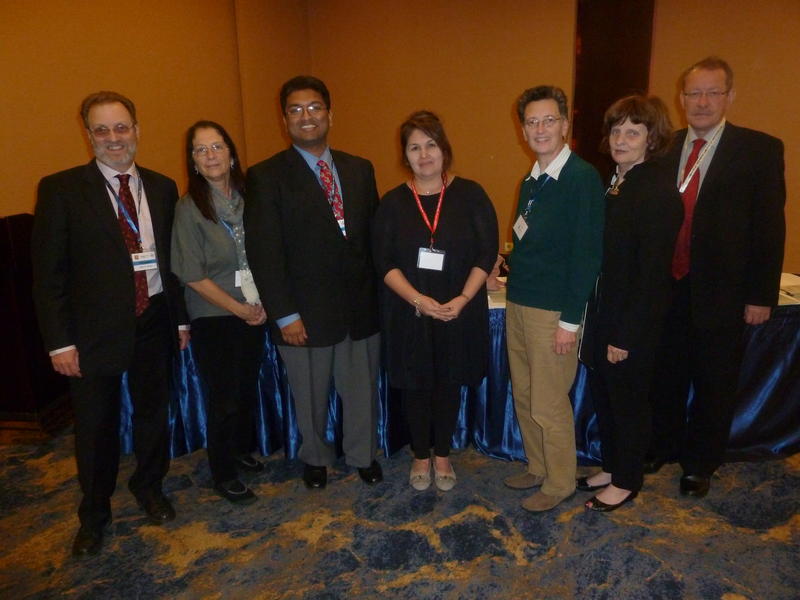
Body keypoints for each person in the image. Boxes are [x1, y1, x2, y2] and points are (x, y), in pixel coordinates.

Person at [31, 91, 189, 557]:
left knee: (153, 415)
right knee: (96, 428)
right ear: (88, 135)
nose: (113, 138)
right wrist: (59, 343)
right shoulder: (60, 189)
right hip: (92, 332)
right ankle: (95, 513)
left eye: (121, 128)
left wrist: (179, 322)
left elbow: (172, 263)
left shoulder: (162, 187)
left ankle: (149, 486)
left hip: (155, 320)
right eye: (102, 130)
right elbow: (48, 277)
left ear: (137, 130)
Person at [645, 57, 785, 498]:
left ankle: (701, 463)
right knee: (664, 375)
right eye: (693, 93)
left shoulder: (759, 149)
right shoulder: (663, 148)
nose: (702, 102)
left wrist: (761, 295)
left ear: (730, 97)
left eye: (712, 92)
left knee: (714, 383)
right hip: (668, 289)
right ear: (680, 98)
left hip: (722, 294)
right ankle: (662, 446)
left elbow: (769, 228)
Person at [244, 76, 383, 490]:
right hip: (302, 314)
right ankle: (316, 458)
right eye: (296, 109)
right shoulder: (266, 176)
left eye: (315, 107)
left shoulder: (360, 168)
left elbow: (374, 241)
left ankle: (363, 456)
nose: (307, 116)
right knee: (310, 397)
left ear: (329, 113)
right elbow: (265, 252)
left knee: (361, 393)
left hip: (359, 310)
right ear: (285, 118)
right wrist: (285, 314)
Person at [372, 111, 498, 491]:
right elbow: (383, 262)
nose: (424, 154)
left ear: (444, 150)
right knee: (416, 386)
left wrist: (462, 299)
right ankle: (420, 456)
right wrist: (418, 300)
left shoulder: (471, 194)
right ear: (405, 155)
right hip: (410, 314)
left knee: (448, 384)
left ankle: (442, 455)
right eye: (414, 147)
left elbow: (486, 251)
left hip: (457, 312)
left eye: (430, 145)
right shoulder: (392, 203)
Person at [576, 96, 683, 512]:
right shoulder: (616, 182)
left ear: (651, 139)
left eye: (633, 132)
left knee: (628, 402)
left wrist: (625, 334)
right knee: (605, 396)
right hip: (605, 312)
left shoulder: (655, 190)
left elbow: (651, 276)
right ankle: (612, 464)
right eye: (617, 130)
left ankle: (627, 479)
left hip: (630, 323)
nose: (621, 139)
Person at [503, 86, 604, 512]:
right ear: (523, 129)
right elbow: (527, 243)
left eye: (548, 120)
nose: (540, 129)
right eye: (531, 122)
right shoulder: (532, 180)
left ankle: (561, 481)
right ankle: (538, 465)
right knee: (525, 395)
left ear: (565, 125)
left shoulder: (581, 178)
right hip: (519, 303)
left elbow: (587, 256)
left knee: (548, 401)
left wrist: (569, 321)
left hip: (551, 313)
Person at [171, 121, 267, 505]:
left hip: (253, 308)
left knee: (245, 389)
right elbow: (191, 274)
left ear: (232, 153)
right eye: (200, 150)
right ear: (193, 161)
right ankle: (223, 472)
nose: (210, 155)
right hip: (215, 315)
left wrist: (257, 308)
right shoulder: (189, 207)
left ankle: (239, 450)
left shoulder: (249, 196)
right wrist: (239, 310)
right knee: (224, 396)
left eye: (217, 147)